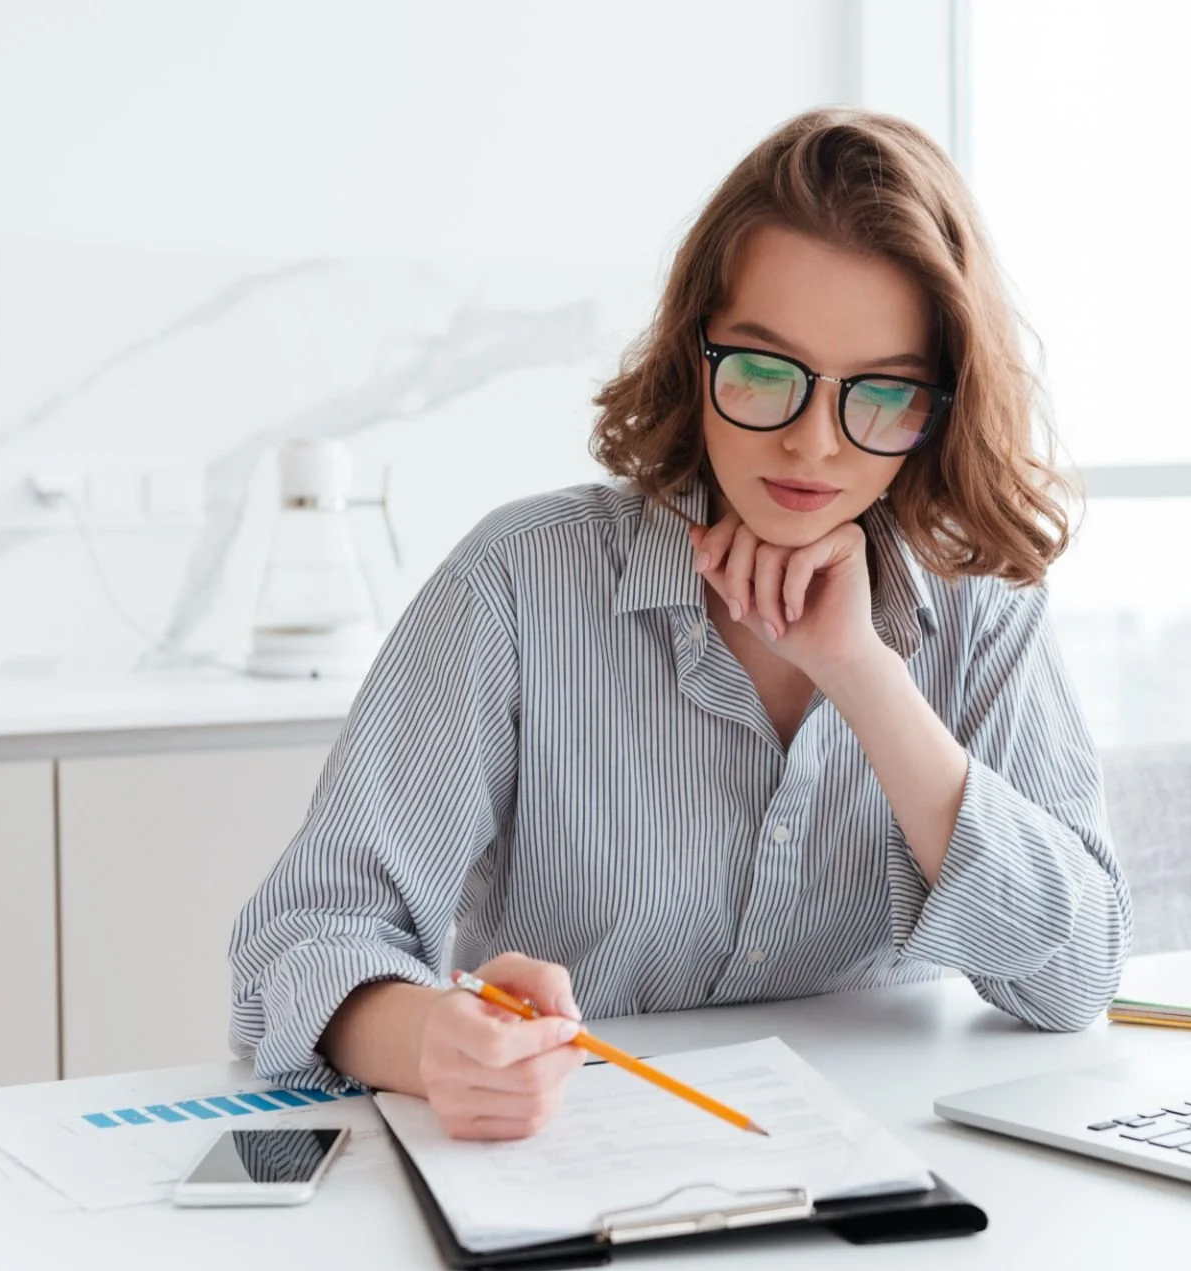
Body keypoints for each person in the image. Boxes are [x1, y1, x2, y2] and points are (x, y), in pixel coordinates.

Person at [229, 107, 1131, 1140]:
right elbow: (299, 945)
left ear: (941, 402)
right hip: (578, 1172)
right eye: (762, 371)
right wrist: (434, 1038)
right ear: (694, 354)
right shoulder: (521, 582)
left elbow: (1076, 976)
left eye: (879, 395)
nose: (812, 444)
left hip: (896, 1179)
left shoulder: (982, 604)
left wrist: (864, 674)